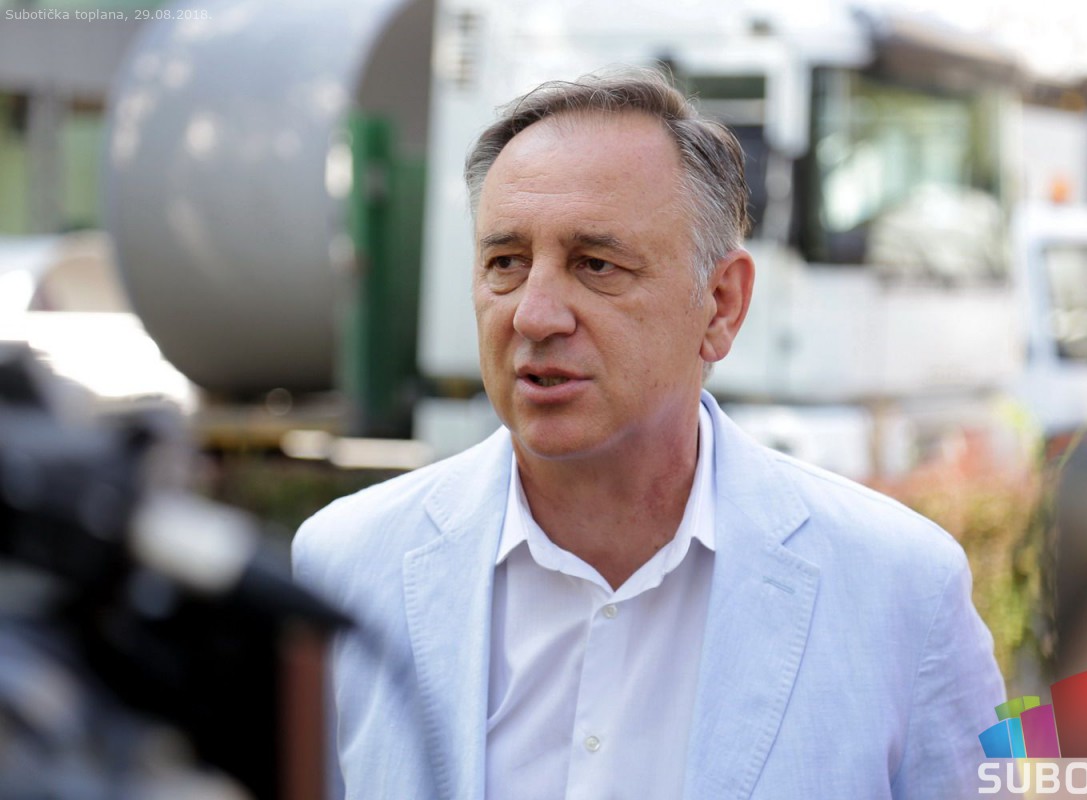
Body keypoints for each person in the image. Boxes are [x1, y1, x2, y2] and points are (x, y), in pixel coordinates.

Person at [292, 69, 1007, 799]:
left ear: (721, 305)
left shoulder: (902, 588)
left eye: (596, 265)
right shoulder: (346, 566)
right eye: (506, 263)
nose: (534, 314)